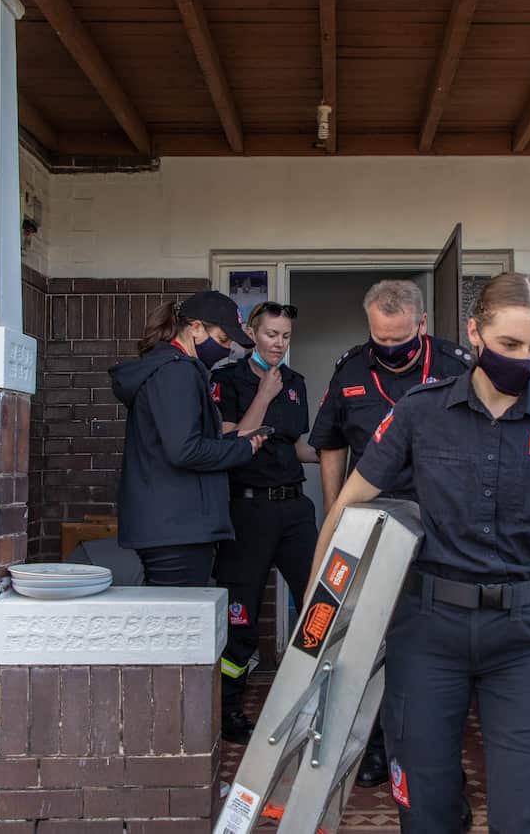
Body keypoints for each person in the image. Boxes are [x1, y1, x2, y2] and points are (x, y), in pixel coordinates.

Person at [309, 273, 530, 833]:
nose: (524, 360)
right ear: (475, 333)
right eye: (509, 346)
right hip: (428, 629)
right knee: (426, 812)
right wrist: (316, 620)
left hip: (523, 636)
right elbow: (346, 510)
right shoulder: (420, 413)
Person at [308, 278, 473, 788]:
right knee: (371, 640)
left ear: (421, 325)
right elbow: (332, 442)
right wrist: (337, 514)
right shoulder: (351, 369)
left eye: (401, 342)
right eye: (381, 341)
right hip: (374, 521)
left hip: (443, 525)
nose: (391, 352)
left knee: (434, 639)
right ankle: (376, 748)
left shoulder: (454, 366)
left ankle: (435, 756)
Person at [210, 302, 320, 744]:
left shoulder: (296, 384)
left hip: (294, 509)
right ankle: (229, 708)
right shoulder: (226, 379)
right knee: (241, 615)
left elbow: (293, 446)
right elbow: (233, 439)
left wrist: (346, 454)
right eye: (271, 334)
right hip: (248, 509)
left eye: (285, 336)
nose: (278, 343)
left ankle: (317, 701)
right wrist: (265, 394)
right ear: (252, 334)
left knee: (317, 604)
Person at [108, 290, 266, 587]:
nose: (228, 348)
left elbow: (181, 442)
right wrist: (241, 449)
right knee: (176, 627)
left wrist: (232, 443)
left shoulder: (172, 370)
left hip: (172, 525)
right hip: (177, 529)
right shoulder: (176, 373)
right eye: (222, 339)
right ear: (195, 327)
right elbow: (185, 450)